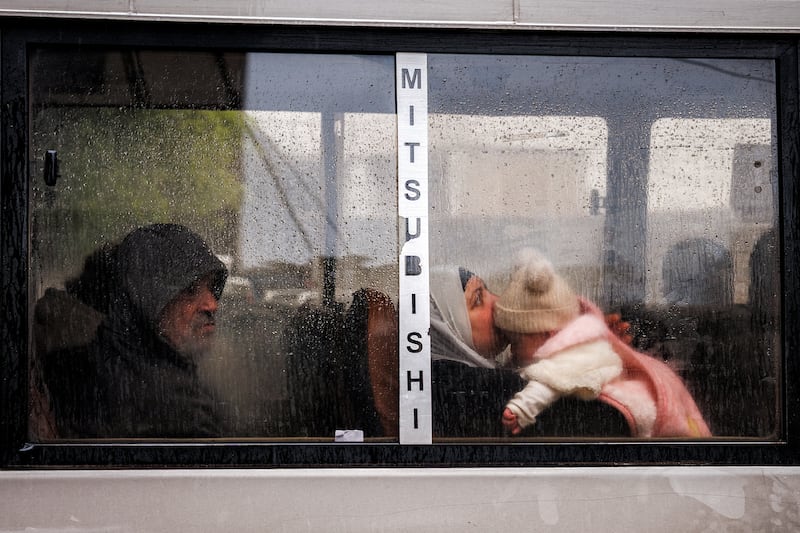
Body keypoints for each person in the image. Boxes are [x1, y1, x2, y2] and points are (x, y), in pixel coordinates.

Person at [494, 248, 711, 438]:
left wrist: (522, 409)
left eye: (516, 341)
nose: (513, 350)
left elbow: (548, 382)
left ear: (548, 335)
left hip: (650, 422)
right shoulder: (578, 339)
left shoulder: (573, 356)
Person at [44, 223, 228, 438]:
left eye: (211, 287)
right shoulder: (171, 404)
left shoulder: (109, 357)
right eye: (190, 290)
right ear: (145, 299)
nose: (212, 304)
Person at [429, 265, 632, 438]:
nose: (498, 302)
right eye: (478, 300)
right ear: (447, 329)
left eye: (488, 291)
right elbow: (597, 416)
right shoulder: (456, 388)